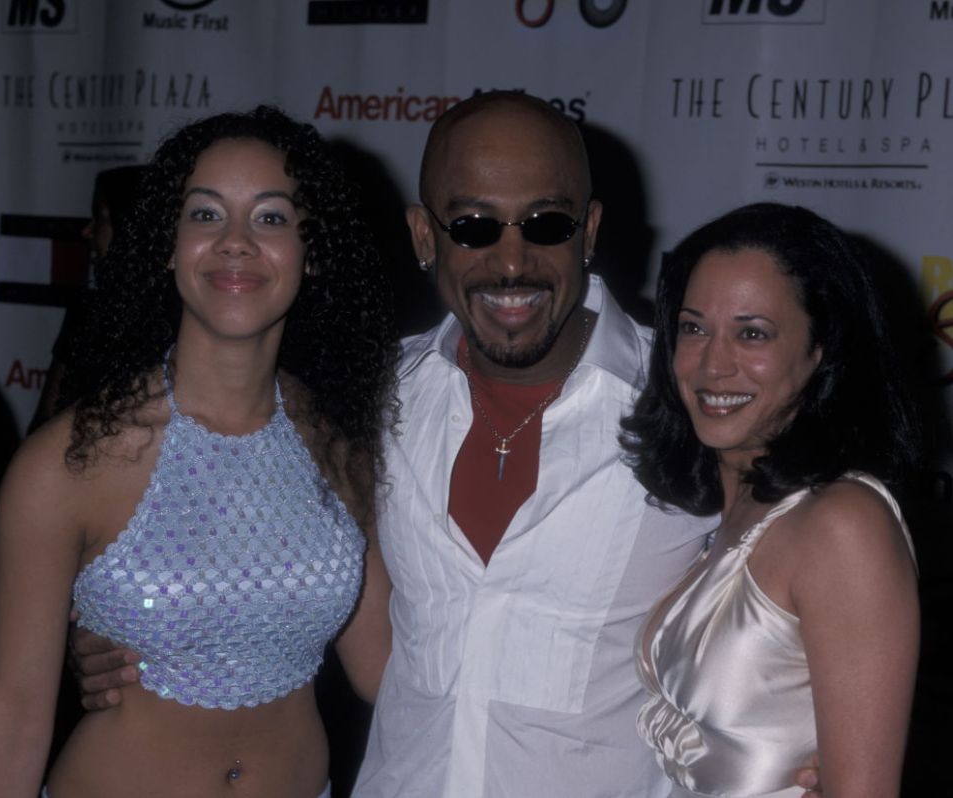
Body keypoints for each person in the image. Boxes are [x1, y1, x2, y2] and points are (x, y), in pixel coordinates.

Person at [70, 92, 824, 797]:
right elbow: (313, 604)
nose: (511, 260)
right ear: (425, 236)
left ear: (588, 232)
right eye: (473, 226)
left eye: (546, 224)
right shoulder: (371, 404)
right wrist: (134, 635)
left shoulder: (692, 403)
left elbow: (821, 569)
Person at [0, 105, 396, 798]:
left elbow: (388, 670)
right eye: (205, 214)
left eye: (272, 217)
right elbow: (13, 716)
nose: (235, 241)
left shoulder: (342, 447)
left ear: (312, 253)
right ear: (167, 244)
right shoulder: (67, 464)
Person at [621, 202, 921, 797]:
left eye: (752, 333)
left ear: (819, 350)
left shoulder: (841, 525)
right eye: (693, 327)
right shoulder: (729, 515)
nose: (713, 363)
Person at [28, 164, 151, 432]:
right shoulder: (89, 310)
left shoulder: (185, 317)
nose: (87, 231)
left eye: (99, 217)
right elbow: (44, 425)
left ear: (128, 225)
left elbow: (44, 422)